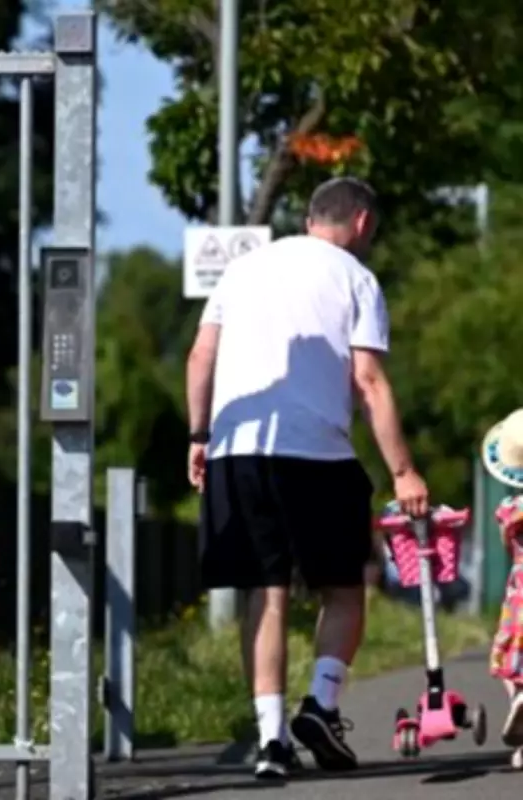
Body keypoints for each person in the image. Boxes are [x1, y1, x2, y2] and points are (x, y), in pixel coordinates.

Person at [185, 176, 429, 780]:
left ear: (310, 216)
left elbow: (200, 356)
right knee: (343, 588)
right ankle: (319, 704)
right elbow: (368, 381)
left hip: (238, 450)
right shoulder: (356, 278)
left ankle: (270, 741)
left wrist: (198, 435)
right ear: (363, 223)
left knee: (265, 594)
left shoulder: (242, 270)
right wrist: (403, 471)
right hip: (317, 455)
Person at [481, 410, 523, 770]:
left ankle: (519, 700)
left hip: (521, 600)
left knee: (512, 663)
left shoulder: (510, 510)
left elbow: (508, 546)